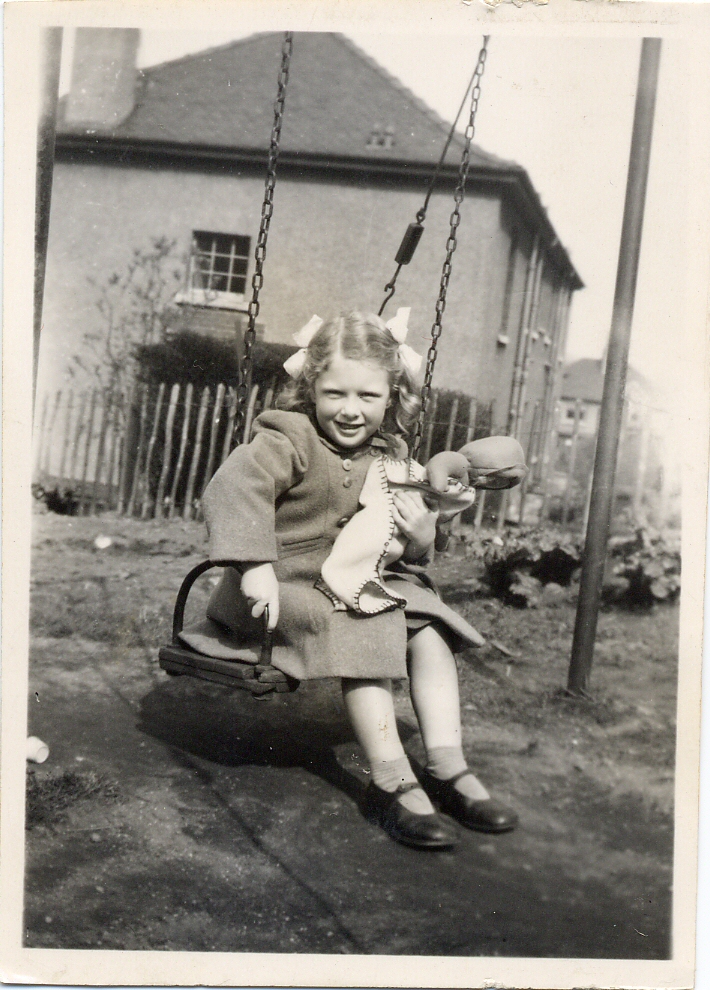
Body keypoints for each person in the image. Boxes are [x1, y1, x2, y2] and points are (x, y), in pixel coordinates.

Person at [183, 310, 519, 850]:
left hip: (355, 579)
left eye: (368, 396)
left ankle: (446, 765)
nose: (350, 409)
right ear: (311, 388)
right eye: (334, 393)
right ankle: (390, 780)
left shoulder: (391, 455)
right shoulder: (286, 439)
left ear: (392, 397)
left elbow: (400, 547)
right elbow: (234, 489)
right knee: (369, 620)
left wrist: (422, 534)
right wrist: (254, 565)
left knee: (429, 628)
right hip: (278, 589)